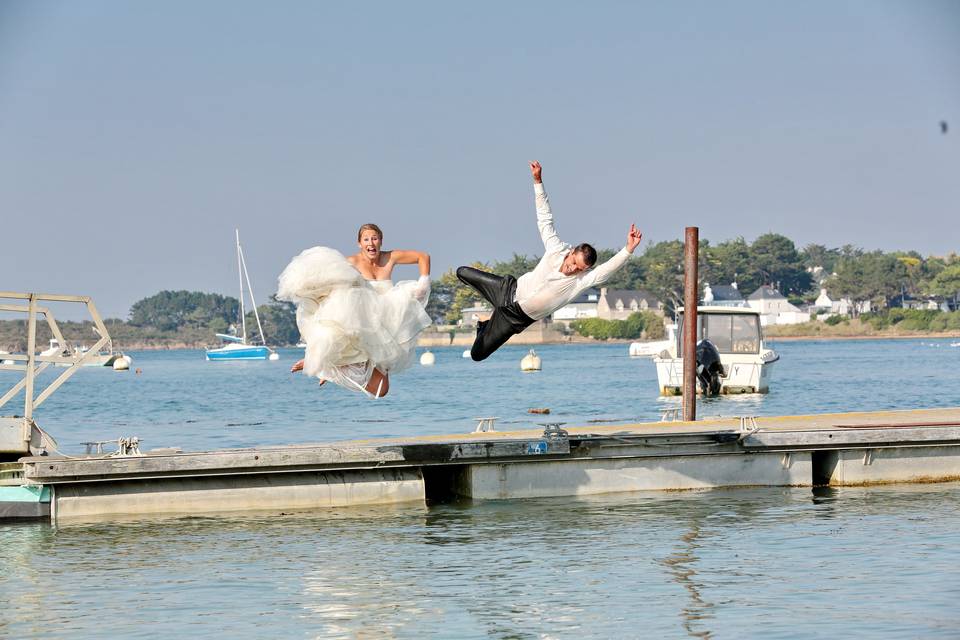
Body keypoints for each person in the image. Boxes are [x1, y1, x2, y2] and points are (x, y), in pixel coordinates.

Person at [457, 161, 643, 361]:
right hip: (509, 289)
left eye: (579, 269)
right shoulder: (556, 248)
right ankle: (489, 318)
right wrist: (538, 181)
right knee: (462, 272)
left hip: (514, 318)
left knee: (477, 354)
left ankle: (484, 326)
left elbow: (606, 270)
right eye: (574, 263)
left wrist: (628, 250)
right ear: (571, 252)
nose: (573, 269)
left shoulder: (580, 280)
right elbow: (545, 219)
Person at [279, 223, 431, 397]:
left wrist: (424, 281)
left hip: (387, 319)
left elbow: (423, 257)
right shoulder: (351, 262)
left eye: (374, 238)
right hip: (362, 319)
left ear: (381, 241)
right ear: (360, 243)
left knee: (381, 390)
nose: (371, 243)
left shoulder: (390, 257)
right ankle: (323, 363)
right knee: (348, 306)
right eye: (366, 239)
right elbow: (333, 283)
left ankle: (330, 370)